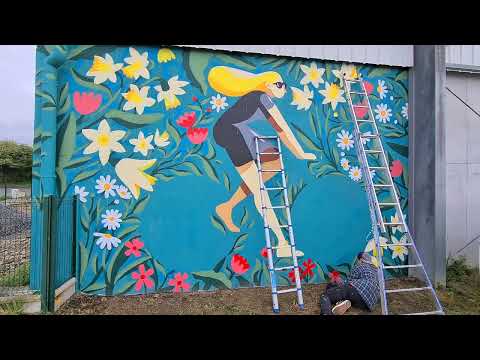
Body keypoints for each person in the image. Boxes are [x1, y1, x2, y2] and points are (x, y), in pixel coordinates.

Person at [207, 66, 316, 258]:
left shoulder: (260, 98)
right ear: (267, 85)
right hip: (230, 133)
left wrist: (300, 153)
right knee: (260, 191)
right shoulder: (262, 98)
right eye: (279, 84)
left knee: (273, 162)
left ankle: (227, 207)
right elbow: (282, 129)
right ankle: (282, 244)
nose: (284, 88)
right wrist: (300, 153)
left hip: (238, 129)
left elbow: (281, 130)